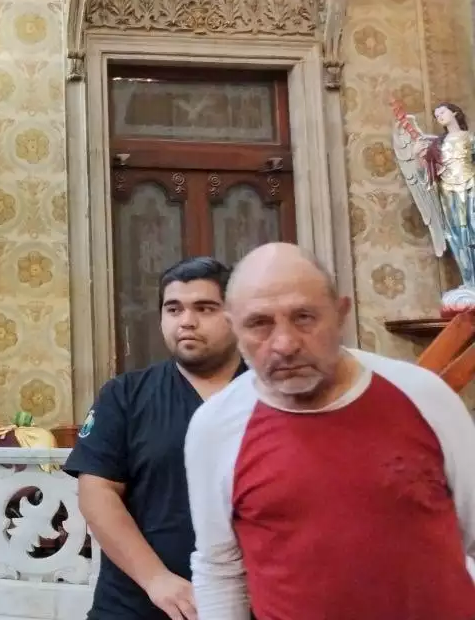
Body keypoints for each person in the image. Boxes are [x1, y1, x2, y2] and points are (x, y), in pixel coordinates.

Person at [185, 242, 475, 619]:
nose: (285, 344)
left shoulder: (423, 396)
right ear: (233, 327)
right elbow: (219, 568)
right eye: (260, 323)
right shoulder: (215, 428)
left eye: (304, 317)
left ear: (340, 315)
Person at [65, 257, 244, 620]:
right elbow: (97, 492)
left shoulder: (270, 394)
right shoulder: (125, 394)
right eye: (173, 309)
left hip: (249, 604)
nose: (187, 321)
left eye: (205, 308)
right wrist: (156, 579)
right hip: (135, 606)